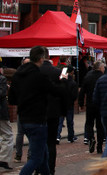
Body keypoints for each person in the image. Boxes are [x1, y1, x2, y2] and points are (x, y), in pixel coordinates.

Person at [8, 46, 67, 175]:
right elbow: (57, 91)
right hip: (37, 120)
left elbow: (12, 99)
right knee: (36, 158)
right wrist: (63, 80)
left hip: (23, 119)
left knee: (44, 154)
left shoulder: (18, 75)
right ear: (41, 59)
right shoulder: (38, 76)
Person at [40, 47, 67, 174]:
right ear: (48, 56)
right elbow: (64, 91)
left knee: (38, 142)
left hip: (38, 111)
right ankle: (51, 169)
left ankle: (38, 167)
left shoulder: (35, 71)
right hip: (54, 112)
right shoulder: (58, 72)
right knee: (51, 143)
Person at [78, 60, 105, 154]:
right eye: (103, 67)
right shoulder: (103, 77)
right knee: (100, 126)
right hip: (100, 105)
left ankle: (91, 138)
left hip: (90, 104)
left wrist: (81, 103)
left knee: (89, 124)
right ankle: (100, 146)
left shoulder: (88, 77)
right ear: (100, 68)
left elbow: (82, 91)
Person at [56, 65, 78, 144]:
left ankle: (57, 136)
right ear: (71, 72)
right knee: (70, 121)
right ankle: (71, 137)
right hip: (69, 104)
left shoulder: (60, 81)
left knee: (60, 121)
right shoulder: (73, 83)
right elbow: (74, 96)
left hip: (61, 104)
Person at [0, 64, 13, 170]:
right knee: (8, 135)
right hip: (1, 112)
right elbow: (2, 93)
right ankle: (3, 159)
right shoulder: (2, 79)